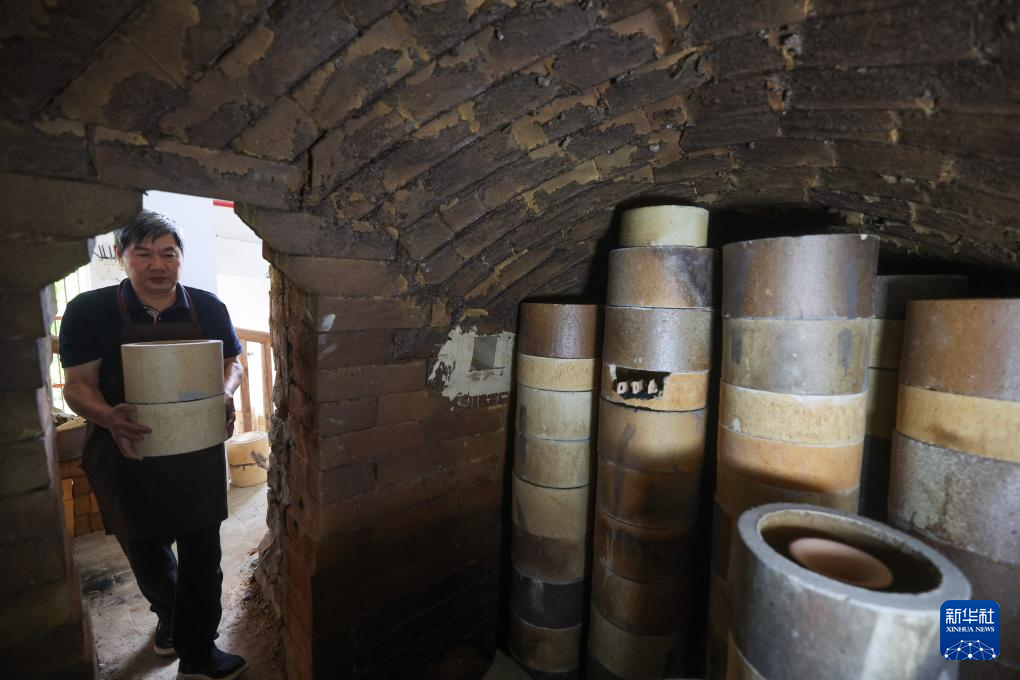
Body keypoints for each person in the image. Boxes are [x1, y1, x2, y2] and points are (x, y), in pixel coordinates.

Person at [59, 210, 249, 680]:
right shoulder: (89, 310)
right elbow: (78, 385)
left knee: (202, 554)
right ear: (122, 257)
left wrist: (224, 393)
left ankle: (198, 654)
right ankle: (170, 616)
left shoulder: (208, 307)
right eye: (143, 254)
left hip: (196, 449)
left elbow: (234, 362)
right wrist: (108, 417)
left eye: (168, 253)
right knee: (144, 546)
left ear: (181, 258)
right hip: (125, 448)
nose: (157, 265)